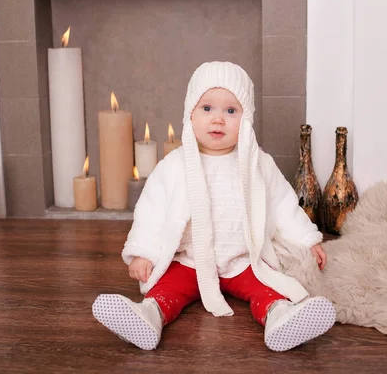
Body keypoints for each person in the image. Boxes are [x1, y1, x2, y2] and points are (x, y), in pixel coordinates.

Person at [92, 61, 336, 352]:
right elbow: (151, 211)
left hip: (242, 259)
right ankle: (149, 314)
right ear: (190, 115)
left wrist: (307, 240)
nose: (218, 120)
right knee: (167, 288)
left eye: (230, 111)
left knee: (268, 287)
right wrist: (142, 253)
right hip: (191, 260)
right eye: (207, 108)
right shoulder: (174, 165)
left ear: (246, 120)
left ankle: (279, 316)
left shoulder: (257, 162)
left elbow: (283, 203)